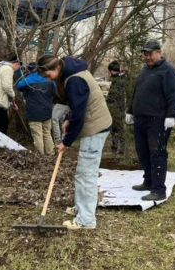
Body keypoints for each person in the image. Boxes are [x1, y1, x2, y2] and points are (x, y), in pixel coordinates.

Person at [37, 55, 112, 230]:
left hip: (95, 127)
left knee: (87, 174)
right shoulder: (70, 72)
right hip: (94, 123)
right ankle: (81, 208)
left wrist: (66, 141)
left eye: (48, 76)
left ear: (55, 68)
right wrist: (69, 119)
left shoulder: (74, 80)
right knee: (82, 172)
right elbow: (78, 106)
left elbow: (80, 114)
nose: (50, 79)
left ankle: (86, 220)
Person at [126, 40, 175, 201]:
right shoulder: (145, 70)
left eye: (150, 53)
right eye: (145, 54)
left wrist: (171, 115)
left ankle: (159, 189)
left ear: (159, 52)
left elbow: (174, 94)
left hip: (158, 120)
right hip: (140, 118)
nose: (147, 57)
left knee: (157, 153)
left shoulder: (168, 71)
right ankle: (149, 181)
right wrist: (130, 110)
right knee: (142, 151)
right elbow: (137, 91)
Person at [16, 68, 55, 154]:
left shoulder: (29, 79)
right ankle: (50, 153)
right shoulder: (49, 79)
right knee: (47, 133)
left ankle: (40, 156)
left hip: (34, 112)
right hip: (47, 111)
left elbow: (19, 86)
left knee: (38, 135)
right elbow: (55, 91)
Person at [105, 60, 128, 154]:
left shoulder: (119, 80)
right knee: (115, 129)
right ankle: (116, 148)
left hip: (117, 108)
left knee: (118, 129)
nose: (110, 73)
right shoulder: (117, 79)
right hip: (115, 108)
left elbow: (115, 96)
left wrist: (110, 103)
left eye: (111, 71)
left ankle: (119, 149)